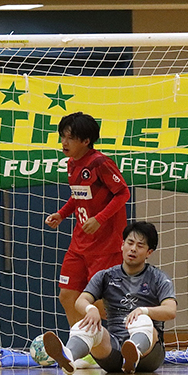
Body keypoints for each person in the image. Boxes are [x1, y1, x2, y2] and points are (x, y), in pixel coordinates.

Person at [43, 221, 177, 375]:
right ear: (122, 245)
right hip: (113, 349)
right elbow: (80, 301)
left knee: (142, 320)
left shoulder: (158, 277)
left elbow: (170, 310)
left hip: (150, 354)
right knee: (88, 324)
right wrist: (91, 309)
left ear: (149, 252)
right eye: (130, 243)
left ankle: (134, 352)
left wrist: (144, 311)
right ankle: (68, 356)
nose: (133, 249)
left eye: (140, 246)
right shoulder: (105, 276)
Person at [44, 112, 130, 327]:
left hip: (105, 245)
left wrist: (99, 219)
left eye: (70, 138)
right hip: (79, 243)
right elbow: (78, 195)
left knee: (101, 303)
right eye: (62, 136)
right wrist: (62, 214)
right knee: (67, 296)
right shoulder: (72, 163)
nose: (64, 142)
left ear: (85, 141)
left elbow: (123, 193)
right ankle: (83, 343)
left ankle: (137, 332)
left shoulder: (100, 163)